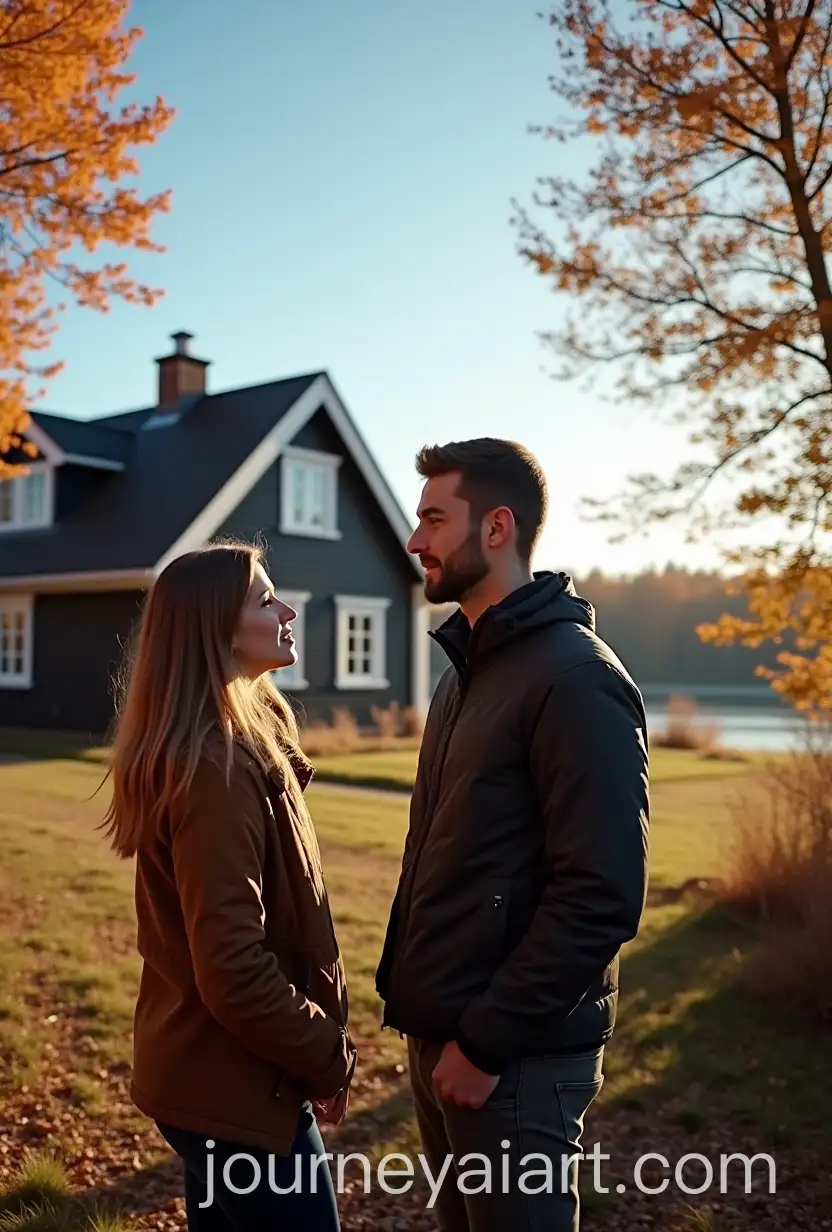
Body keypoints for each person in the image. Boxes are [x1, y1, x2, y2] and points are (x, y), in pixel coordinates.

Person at [375, 439, 650, 1231]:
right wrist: (434, 1037)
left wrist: (486, 1044)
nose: (415, 538)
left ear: (496, 528)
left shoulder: (575, 677)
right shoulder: (465, 671)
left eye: (433, 516)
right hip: (443, 1041)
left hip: (515, 1062)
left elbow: (601, 894)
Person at [100, 541, 357, 1232]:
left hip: (218, 1079)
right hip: (237, 1089)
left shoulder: (242, 744)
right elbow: (234, 970)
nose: (288, 610)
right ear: (214, 628)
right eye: (264, 599)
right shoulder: (215, 769)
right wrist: (328, 1058)